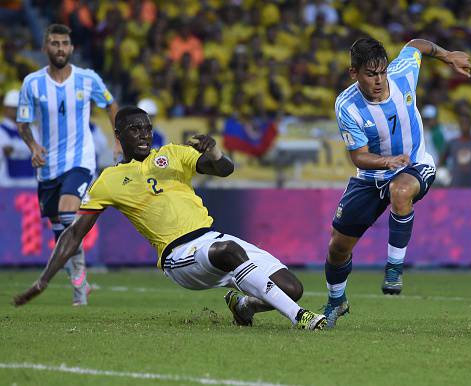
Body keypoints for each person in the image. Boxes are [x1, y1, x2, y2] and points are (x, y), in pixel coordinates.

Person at [13, 106, 327, 330]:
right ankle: (300, 317)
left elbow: (225, 170)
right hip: (178, 256)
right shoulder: (108, 179)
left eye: (147, 128)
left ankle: (244, 306)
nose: (144, 134)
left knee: (290, 287)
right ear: (119, 134)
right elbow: (73, 234)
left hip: (211, 239)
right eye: (135, 129)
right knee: (233, 252)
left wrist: (214, 153)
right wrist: (43, 280)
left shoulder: (173, 154)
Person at [323, 37, 471, 328]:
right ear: (354, 73)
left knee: (400, 190)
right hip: (370, 177)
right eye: (370, 74)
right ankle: (336, 301)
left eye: (382, 72)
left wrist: (447, 56)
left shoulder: (402, 73)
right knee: (337, 248)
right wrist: (386, 162)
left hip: (415, 164)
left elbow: (417, 45)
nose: (379, 80)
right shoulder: (347, 106)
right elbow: (358, 157)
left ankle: (394, 268)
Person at [16, 24, 119, 306]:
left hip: (80, 161)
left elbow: (111, 105)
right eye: (54, 43)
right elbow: (23, 123)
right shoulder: (32, 83)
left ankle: (78, 288)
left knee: (67, 213)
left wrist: (118, 140)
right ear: (45, 48)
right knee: (61, 230)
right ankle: (81, 282)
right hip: (48, 167)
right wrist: (33, 146)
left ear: (72, 48)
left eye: (64, 43)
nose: (60, 48)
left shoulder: (88, 79)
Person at [440, 111, 471, 189]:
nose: (464, 125)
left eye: (466, 122)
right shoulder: (452, 143)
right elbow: (441, 162)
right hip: (454, 186)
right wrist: (445, 179)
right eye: (462, 123)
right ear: (459, 125)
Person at [0, 89, 36, 188]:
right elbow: (7, 150)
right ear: (6, 109)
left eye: (18, 108)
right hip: (7, 184)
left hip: (31, 183)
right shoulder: (2, 129)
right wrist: (30, 147)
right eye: (13, 108)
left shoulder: (32, 128)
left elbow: (40, 149)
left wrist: (15, 148)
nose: (15, 111)